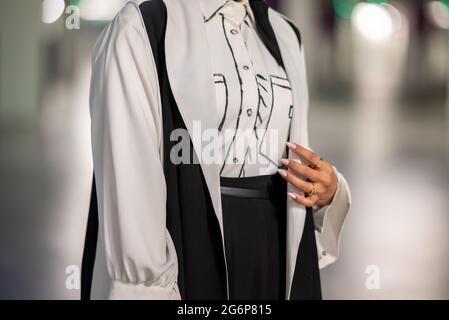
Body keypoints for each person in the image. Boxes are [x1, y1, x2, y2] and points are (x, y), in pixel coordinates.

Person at [81, 0, 351, 300]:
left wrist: (327, 192)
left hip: (272, 255)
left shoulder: (285, 34)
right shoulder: (142, 28)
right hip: (192, 250)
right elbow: (130, 188)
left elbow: (292, 147)